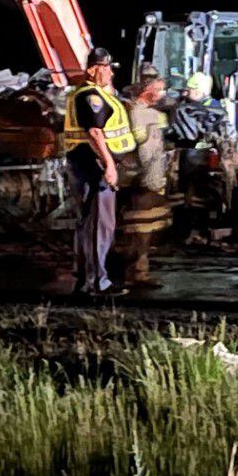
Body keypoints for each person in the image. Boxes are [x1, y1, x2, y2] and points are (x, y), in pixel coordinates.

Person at [63, 45, 134, 296]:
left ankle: (85, 278)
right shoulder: (90, 96)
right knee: (99, 225)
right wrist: (110, 165)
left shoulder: (86, 93)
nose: (111, 74)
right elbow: (94, 132)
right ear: (94, 69)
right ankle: (97, 283)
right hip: (93, 165)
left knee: (88, 223)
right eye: (107, 69)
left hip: (84, 163)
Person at [117, 67, 173, 286]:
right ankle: (137, 271)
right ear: (145, 90)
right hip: (140, 178)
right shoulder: (134, 112)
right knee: (141, 226)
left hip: (152, 176)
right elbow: (136, 146)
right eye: (157, 89)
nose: (161, 94)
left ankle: (139, 268)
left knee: (150, 224)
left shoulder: (154, 113)